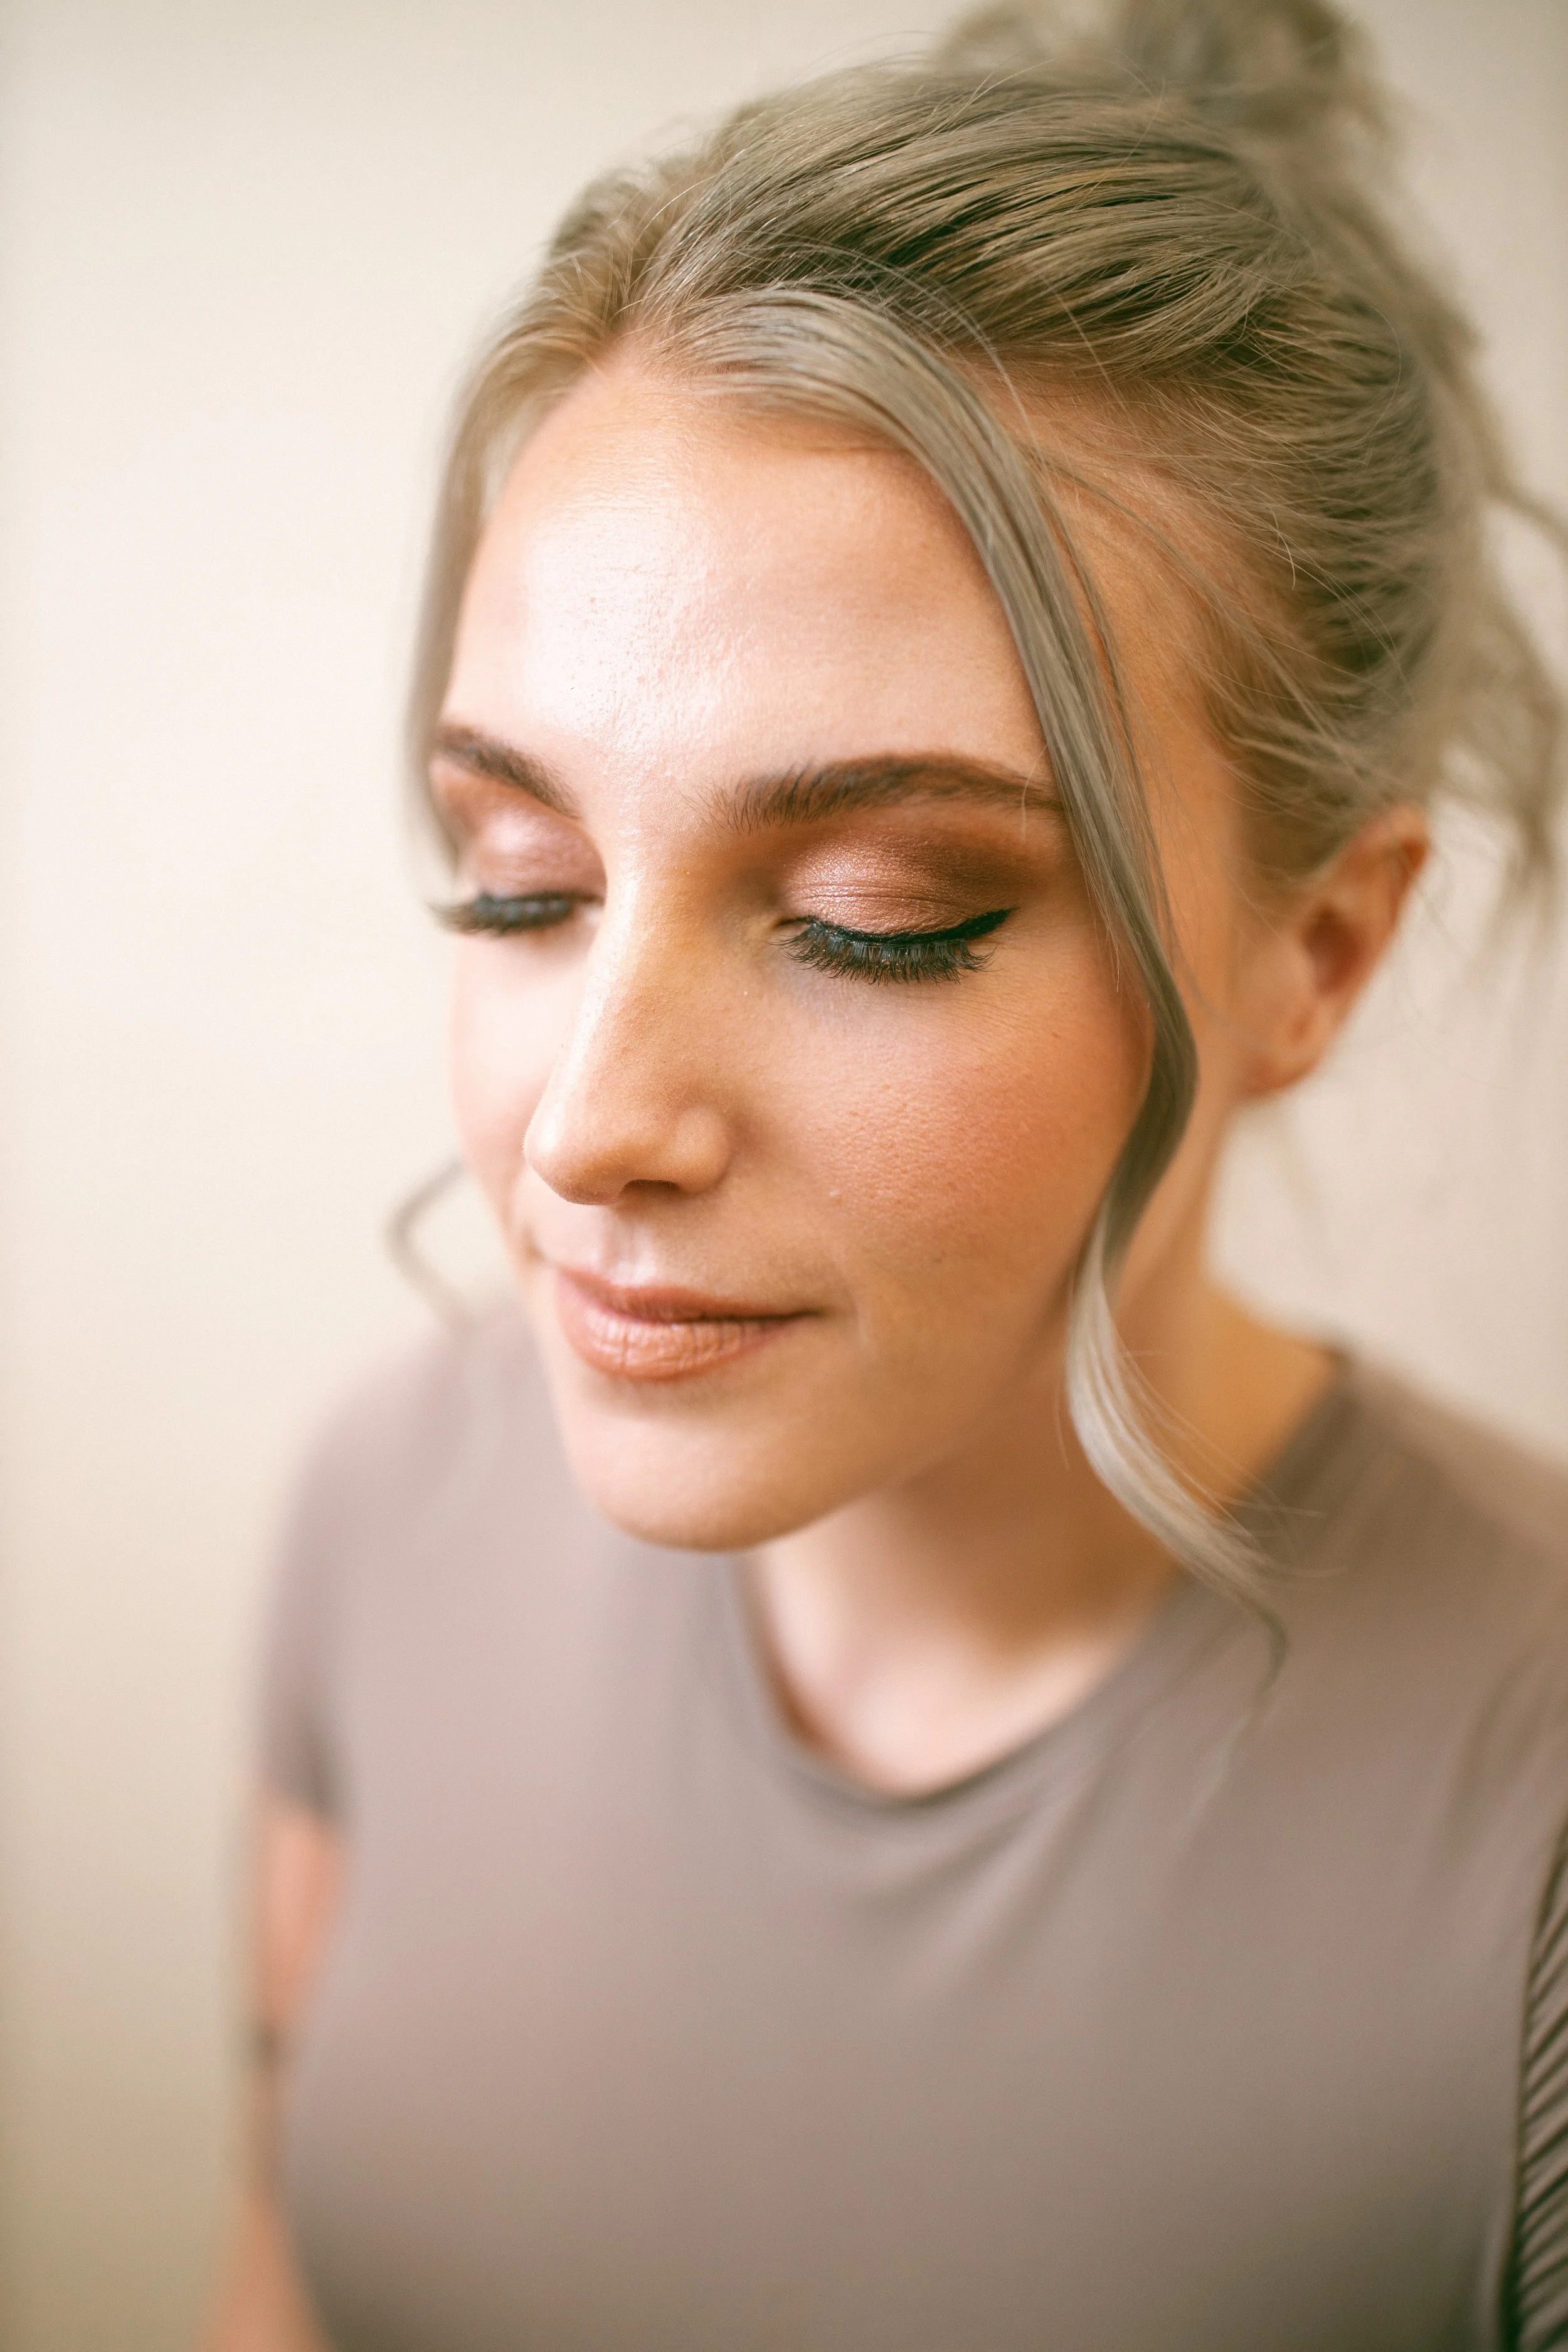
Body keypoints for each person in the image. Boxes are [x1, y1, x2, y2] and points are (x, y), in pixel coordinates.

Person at [206, 2, 1568, 2344]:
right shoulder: (376, 1519)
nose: (588, 1121)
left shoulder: (1525, 1840)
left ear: (1311, 952)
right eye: (520, 878)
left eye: (875, 917)